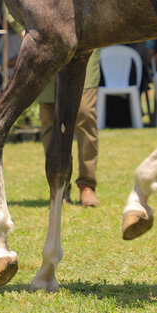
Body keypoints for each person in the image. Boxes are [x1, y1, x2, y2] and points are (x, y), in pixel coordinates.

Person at [39, 48, 101, 207]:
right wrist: (24, 27)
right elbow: (10, 20)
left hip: (85, 44)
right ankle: (59, 185)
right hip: (46, 46)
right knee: (51, 120)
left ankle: (87, 184)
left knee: (85, 114)